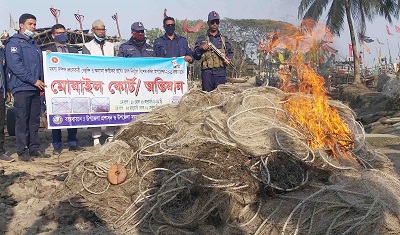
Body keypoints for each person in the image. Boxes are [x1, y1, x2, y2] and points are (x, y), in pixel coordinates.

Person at [5, 13, 50, 161]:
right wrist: (33, 80)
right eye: (30, 24)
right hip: (22, 87)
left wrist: (47, 56)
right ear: (21, 25)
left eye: (34, 24)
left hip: (36, 88)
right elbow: (16, 66)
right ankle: (22, 151)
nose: (33, 27)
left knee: (34, 120)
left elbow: (37, 64)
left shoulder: (34, 44)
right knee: (22, 120)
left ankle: (34, 148)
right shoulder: (14, 43)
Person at [44, 24, 86, 155]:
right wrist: (47, 57)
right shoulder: (48, 51)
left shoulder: (73, 51)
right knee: (56, 116)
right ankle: (57, 145)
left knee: (72, 115)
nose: (61, 35)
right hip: (56, 89)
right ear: (53, 35)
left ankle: (73, 142)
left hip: (72, 88)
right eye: (58, 33)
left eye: (63, 32)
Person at [82, 20, 116, 146]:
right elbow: (86, 65)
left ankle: (110, 135)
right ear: (93, 31)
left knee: (111, 108)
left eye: (103, 29)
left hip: (110, 82)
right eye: (98, 29)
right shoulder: (87, 46)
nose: (101, 32)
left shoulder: (111, 46)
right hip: (95, 84)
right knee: (96, 109)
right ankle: (96, 137)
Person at [193, 11, 234, 92]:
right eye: (212, 22)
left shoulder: (224, 39)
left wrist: (228, 60)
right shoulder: (201, 39)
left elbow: (230, 52)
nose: (215, 24)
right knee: (207, 97)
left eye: (217, 22)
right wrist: (201, 48)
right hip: (207, 73)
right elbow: (196, 56)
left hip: (220, 72)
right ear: (208, 23)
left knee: (220, 96)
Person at [0, 44, 14, 162]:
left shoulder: (1, 50)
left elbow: (5, 72)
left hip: (1, 91)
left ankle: (0, 152)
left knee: (0, 123)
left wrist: (8, 90)